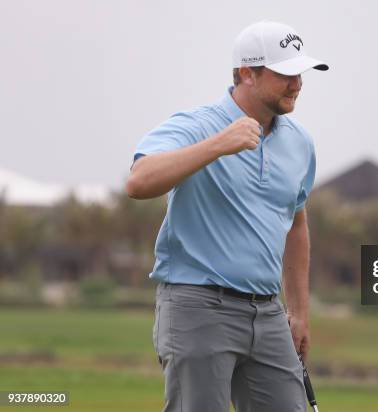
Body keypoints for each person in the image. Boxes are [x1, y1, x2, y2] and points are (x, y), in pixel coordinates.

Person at [126, 20, 328, 412]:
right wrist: (217, 145)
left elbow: (296, 225)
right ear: (247, 74)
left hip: (268, 313)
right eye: (285, 73)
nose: (297, 84)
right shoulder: (197, 125)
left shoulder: (300, 142)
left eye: (300, 73)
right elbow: (139, 182)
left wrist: (299, 312)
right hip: (197, 307)